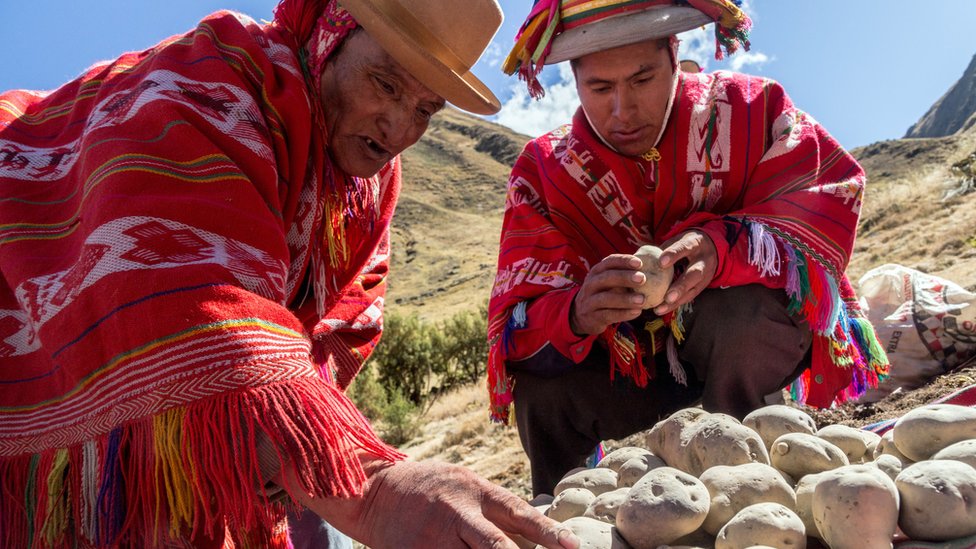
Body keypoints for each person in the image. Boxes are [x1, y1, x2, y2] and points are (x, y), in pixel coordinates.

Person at [0, 1, 580, 548]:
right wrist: (370, 489)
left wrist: (305, 446)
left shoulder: (368, 186)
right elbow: (189, 304)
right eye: (385, 84)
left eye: (426, 110)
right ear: (330, 33)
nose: (401, 127)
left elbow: (340, 322)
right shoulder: (202, 89)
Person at [487, 0, 891, 496]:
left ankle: (755, 478)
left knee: (745, 316)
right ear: (574, 78)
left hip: (735, 344)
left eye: (642, 79)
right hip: (629, 367)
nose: (623, 110)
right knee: (543, 393)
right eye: (599, 87)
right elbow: (518, 320)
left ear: (674, 53)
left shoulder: (751, 109)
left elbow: (828, 191)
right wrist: (575, 314)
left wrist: (723, 246)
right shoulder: (543, 172)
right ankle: (567, 512)